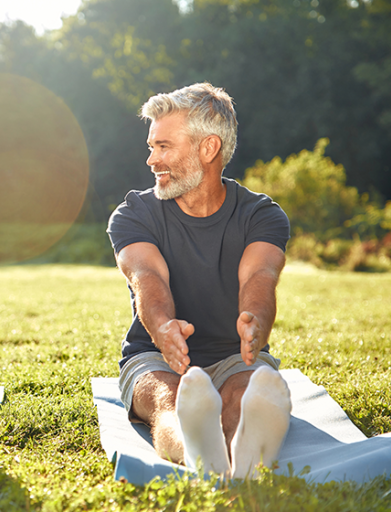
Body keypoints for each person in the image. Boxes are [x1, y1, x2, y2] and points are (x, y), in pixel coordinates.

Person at [107, 83, 292, 479]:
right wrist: (162, 328)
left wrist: (255, 320)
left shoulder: (262, 215)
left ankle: (239, 453)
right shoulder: (133, 214)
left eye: (164, 146)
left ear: (208, 149)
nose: (151, 159)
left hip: (234, 354)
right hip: (153, 355)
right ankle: (201, 454)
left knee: (244, 395)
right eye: (151, 146)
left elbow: (260, 275)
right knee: (168, 401)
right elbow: (147, 275)